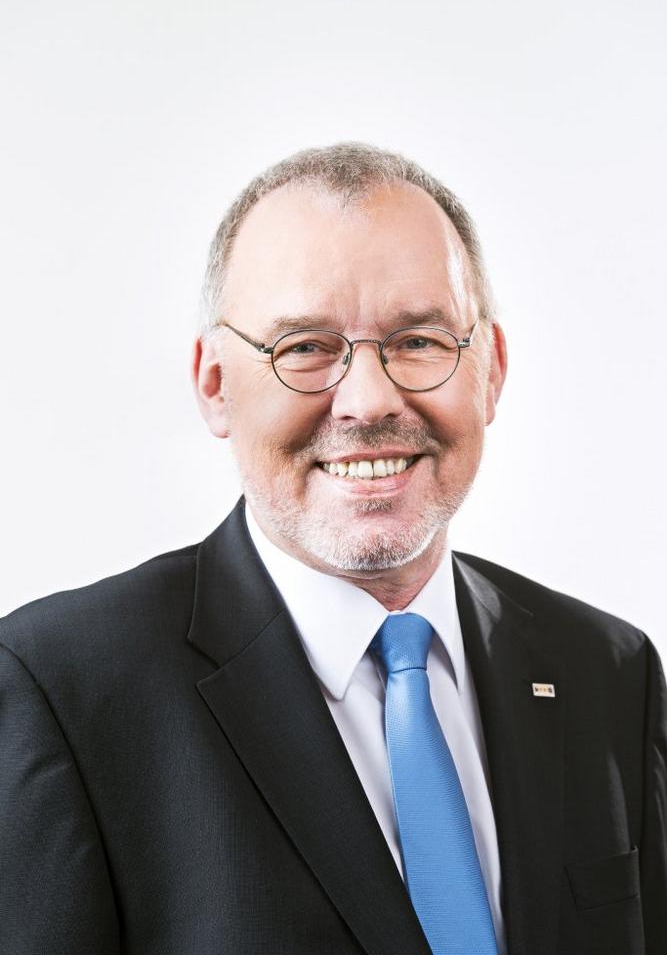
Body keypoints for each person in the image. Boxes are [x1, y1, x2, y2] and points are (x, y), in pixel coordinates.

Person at [1, 143, 665, 955]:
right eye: (304, 347)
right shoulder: (63, 692)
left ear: (490, 369)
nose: (369, 400)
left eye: (418, 340)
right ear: (214, 383)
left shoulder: (607, 670)